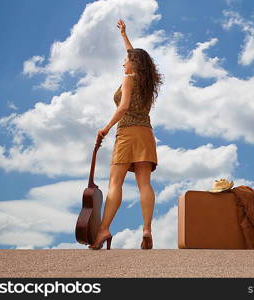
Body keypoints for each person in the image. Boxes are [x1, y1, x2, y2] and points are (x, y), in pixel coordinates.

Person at [89, 19, 163, 250]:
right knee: (144, 184)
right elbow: (134, 54)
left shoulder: (129, 79)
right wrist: (123, 35)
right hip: (146, 134)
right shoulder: (148, 81)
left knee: (115, 183)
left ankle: (103, 230)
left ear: (133, 64)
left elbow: (123, 107)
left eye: (126, 60)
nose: (123, 63)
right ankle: (147, 229)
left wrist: (106, 127)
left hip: (127, 133)